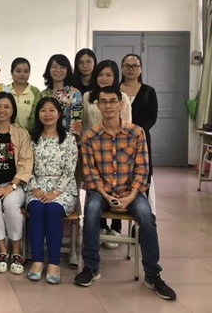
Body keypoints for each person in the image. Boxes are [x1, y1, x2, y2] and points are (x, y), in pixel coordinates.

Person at [75, 86, 176, 301]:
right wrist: (107, 197)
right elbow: (90, 173)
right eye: (103, 102)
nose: (108, 106)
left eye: (113, 101)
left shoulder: (136, 133)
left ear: (121, 105)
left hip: (131, 191)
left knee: (147, 216)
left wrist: (130, 197)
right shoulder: (90, 136)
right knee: (91, 211)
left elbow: (142, 170)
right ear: (98, 105)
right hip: (102, 192)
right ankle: (91, 267)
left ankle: (153, 274)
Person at [0, 92, 33, 275]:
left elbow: (26, 162)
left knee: (11, 205)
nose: (2, 110)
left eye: (7, 107)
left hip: (14, 185)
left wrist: (12, 186)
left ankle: (16, 252)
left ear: (13, 111)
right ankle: (2, 251)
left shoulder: (21, 133)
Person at [25, 97, 78, 284]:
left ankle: (54, 263)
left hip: (63, 188)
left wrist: (55, 192)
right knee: (37, 208)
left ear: (59, 114)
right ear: (38, 114)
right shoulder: (31, 139)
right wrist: (35, 187)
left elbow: (70, 171)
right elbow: (26, 167)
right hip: (36, 186)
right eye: (43, 110)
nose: (47, 114)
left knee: (53, 209)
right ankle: (37, 261)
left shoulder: (69, 139)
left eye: (52, 110)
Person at [82, 60, 132, 246]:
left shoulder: (123, 97)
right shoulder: (88, 96)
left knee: (118, 184)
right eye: (101, 74)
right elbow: (84, 123)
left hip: (118, 149)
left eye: (109, 75)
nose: (104, 78)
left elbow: (127, 124)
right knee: (96, 187)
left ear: (115, 77)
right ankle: (100, 225)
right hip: (93, 148)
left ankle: (116, 228)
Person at [120, 53, 158, 191]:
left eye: (135, 66)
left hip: (141, 137)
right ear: (122, 68)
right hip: (118, 136)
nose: (131, 69)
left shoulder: (149, 91)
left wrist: (137, 132)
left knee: (142, 170)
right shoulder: (115, 90)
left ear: (140, 69)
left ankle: (142, 198)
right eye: (127, 66)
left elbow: (152, 117)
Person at [41, 54, 83, 136]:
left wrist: (68, 140)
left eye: (62, 67)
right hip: (45, 138)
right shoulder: (43, 94)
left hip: (67, 140)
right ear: (49, 69)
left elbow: (76, 122)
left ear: (68, 70)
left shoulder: (75, 93)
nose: (58, 70)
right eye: (54, 67)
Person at [9, 57, 42, 132]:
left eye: (26, 71)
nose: (22, 74)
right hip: (7, 133)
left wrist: (24, 133)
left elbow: (35, 116)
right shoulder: (5, 90)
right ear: (11, 72)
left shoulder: (35, 92)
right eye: (18, 71)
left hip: (29, 134)